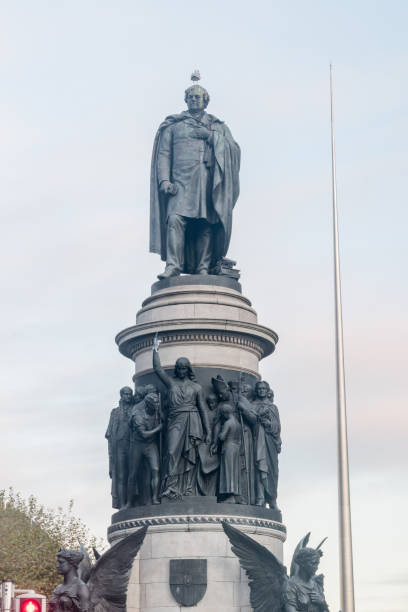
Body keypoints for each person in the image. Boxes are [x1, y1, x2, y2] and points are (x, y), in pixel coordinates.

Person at [150, 74, 241, 279]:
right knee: (175, 220)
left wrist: (210, 137)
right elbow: (164, 154)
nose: (194, 100)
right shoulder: (174, 126)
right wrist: (164, 180)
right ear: (186, 100)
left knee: (205, 225)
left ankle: (203, 266)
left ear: (205, 100)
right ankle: (173, 265)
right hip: (179, 184)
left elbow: (234, 150)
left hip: (206, 183)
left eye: (198, 97)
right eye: (191, 96)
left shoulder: (217, 126)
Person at [152, 336, 210, 499]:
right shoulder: (171, 384)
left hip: (192, 421)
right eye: (179, 367)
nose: (181, 370)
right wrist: (155, 348)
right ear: (176, 369)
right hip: (175, 421)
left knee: (191, 455)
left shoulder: (196, 387)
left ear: (188, 369)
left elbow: (203, 409)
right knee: (171, 452)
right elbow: (158, 369)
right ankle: (171, 487)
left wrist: (208, 431)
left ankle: (187, 488)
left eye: (184, 367)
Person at [127, 393, 163, 506]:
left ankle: (155, 498)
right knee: (133, 474)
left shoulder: (158, 413)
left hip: (151, 445)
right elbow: (144, 435)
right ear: (148, 404)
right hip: (137, 445)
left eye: (158, 403)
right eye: (154, 404)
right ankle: (128, 502)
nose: (157, 405)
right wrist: (158, 428)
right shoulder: (138, 416)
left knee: (155, 469)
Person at [251, 381, 281, 508]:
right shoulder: (252, 405)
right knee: (259, 468)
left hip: (270, 441)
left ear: (267, 390)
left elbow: (277, 426)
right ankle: (260, 497)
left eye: (264, 388)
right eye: (259, 388)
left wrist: (269, 424)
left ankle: (272, 498)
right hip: (258, 439)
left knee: (272, 470)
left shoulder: (273, 407)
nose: (261, 390)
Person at [105, 386, 133, 509]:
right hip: (119, 447)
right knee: (121, 476)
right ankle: (122, 504)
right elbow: (109, 433)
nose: (128, 396)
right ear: (121, 396)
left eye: (130, 394)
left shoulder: (134, 409)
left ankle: (132, 502)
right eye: (126, 394)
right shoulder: (115, 412)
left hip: (132, 446)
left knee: (132, 475)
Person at [217, 402, 242, 503]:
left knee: (228, 471)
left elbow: (222, 437)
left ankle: (230, 496)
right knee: (235, 471)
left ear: (225, 413)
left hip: (228, 447)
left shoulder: (228, 423)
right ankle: (236, 494)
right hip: (236, 447)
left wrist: (219, 432)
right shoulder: (238, 424)